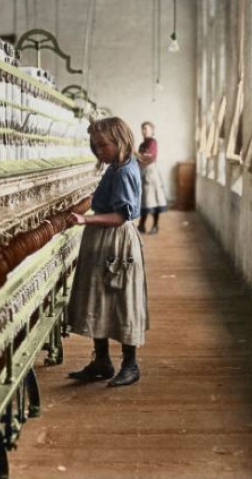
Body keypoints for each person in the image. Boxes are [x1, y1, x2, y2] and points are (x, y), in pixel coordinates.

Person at [66, 117, 149, 387]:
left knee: (122, 300)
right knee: (98, 298)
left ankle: (130, 364)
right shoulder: (116, 166)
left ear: (120, 140)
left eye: (103, 145)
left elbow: (120, 217)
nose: (99, 150)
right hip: (103, 240)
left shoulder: (124, 170)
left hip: (116, 241)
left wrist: (85, 220)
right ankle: (102, 361)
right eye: (95, 145)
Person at [137, 121, 168, 235]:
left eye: (146, 128)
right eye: (142, 129)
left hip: (151, 173)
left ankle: (155, 226)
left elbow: (147, 157)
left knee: (154, 200)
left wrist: (138, 155)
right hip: (143, 173)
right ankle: (141, 225)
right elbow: (140, 158)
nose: (144, 131)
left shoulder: (152, 142)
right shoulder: (142, 144)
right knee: (144, 200)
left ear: (151, 130)